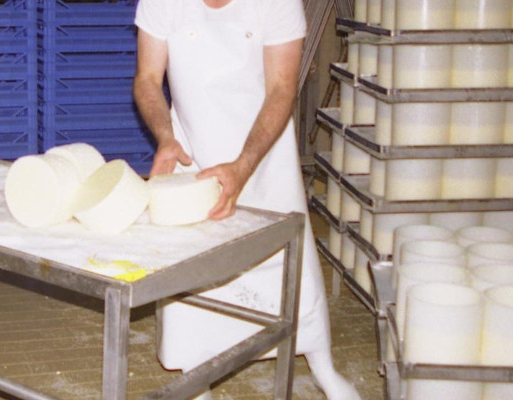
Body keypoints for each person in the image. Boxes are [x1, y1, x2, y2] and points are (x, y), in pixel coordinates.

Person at [133, 0, 361, 399]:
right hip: (193, 155)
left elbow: (281, 89)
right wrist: (166, 138)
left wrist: (244, 165)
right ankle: (196, 372)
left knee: (287, 263)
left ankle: (321, 363)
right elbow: (148, 79)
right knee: (195, 268)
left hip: (263, 154)